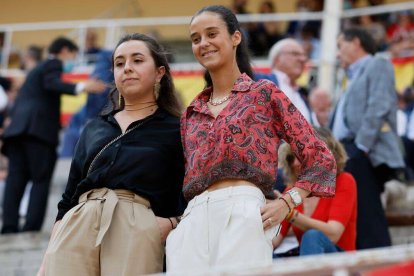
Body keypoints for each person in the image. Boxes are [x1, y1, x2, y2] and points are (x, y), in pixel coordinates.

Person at [166, 5, 336, 273]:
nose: (203, 44)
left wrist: (287, 202)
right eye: (196, 38)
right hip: (193, 219)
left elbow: (321, 158)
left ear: (236, 37)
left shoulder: (264, 94)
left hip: (246, 212)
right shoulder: (190, 113)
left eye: (212, 34)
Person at [37, 33, 185, 276]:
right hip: (78, 222)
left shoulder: (177, 128)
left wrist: (170, 224)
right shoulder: (94, 127)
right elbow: (68, 197)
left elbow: (190, 190)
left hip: (137, 224)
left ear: (160, 72)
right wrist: (48, 257)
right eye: (119, 63)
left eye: (137, 60)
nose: (127, 68)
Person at [0, 37, 106, 234]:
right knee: (40, 180)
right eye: (73, 55)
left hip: (17, 132)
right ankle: (31, 226)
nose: (71, 61)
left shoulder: (35, 72)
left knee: (15, 180)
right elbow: (52, 83)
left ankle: (9, 226)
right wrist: (82, 86)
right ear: (65, 51)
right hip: (38, 132)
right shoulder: (52, 64)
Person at [332, 27, 405, 249]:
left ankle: (380, 266)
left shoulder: (378, 64)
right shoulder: (351, 77)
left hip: (361, 151)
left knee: (367, 212)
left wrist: (361, 147)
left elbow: (379, 105)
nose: (337, 53)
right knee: (358, 212)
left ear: (356, 42)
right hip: (349, 150)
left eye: (340, 45)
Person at [273, 127, 357, 256]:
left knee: (312, 236)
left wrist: (290, 214)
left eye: (301, 155)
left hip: (341, 263)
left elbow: (333, 234)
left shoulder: (343, 181)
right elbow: (275, 240)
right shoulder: (292, 190)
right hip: (309, 261)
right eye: (291, 157)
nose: (295, 163)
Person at [254, 38, 312, 123]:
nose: (302, 59)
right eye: (295, 54)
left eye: (304, 55)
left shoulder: (303, 93)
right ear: (277, 59)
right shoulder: (259, 82)